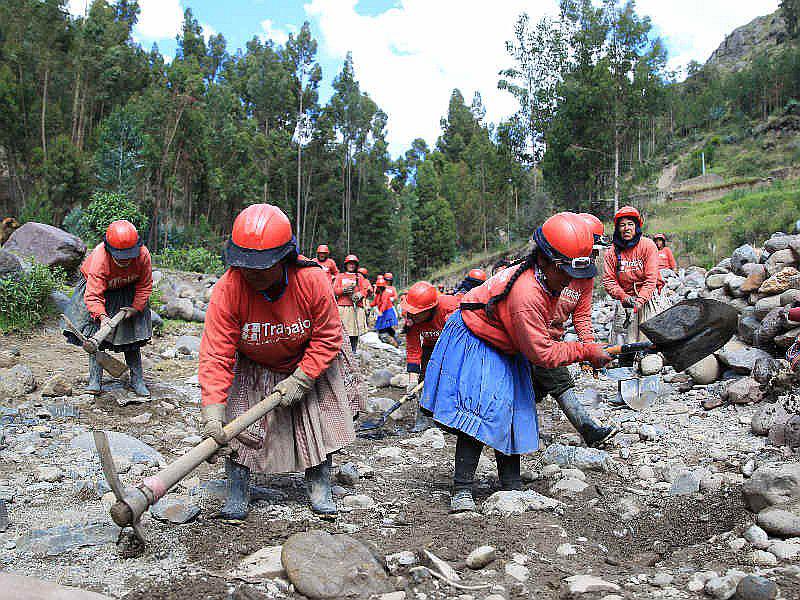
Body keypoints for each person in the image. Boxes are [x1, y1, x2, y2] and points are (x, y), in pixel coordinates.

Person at [421, 213, 613, 513]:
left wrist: (587, 346)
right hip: (478, 337)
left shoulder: (547, 276)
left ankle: (510, 482)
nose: (571, 281)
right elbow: (543, 355)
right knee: (480, 409)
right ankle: (462, 489)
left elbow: (552, 335)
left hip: (507, 339)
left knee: (513, 408)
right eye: (566, 272)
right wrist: (586, 352)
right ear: (549, 262)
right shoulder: (526, 294)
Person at [198, 204, 363, 522]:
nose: (251, 274)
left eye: (261, 267)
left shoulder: (311, 280)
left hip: (307, 359)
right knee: (237, 420)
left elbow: (329, 336)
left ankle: (319, 483)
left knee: (319, 418)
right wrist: (213, 416)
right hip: (253, 360)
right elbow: (216, 354)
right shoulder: (228, 290)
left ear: (283, 259)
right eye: (245, 266)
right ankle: (237, 487)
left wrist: (303, 378)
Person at [535, 212, 616, 448]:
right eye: (591, 250)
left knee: (534, 388)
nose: (593, 256)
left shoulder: (586, 277)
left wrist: (589, 348)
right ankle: (589, 429)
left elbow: (581, 315)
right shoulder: (554, 267)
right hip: (536, 336)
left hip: (554, 336)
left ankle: (511, 426)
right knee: (559, 379)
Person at [62, 220, 153, 397]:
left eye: (129, 255)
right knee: (95, 336)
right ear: (111, 251)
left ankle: (137, 379)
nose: (125, 260)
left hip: (127, 289)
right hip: (97, 290)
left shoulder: (143, 256)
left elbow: (144, 285)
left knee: (131, 338)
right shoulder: (100, 257)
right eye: (121, 256)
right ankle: (95, 380)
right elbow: (94, 294)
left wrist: (135, 308)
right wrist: (102, 317)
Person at [602, 206, 668, 346]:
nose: (626, 228)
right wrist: (623, 297)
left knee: (652, 340)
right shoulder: (612, 252)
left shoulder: (648, 245)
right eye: (622, 225)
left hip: (649, 296)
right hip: (626, 298)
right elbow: (609, 281)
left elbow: (651, 279)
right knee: (623, 343)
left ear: (637, 227)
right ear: (617, 229)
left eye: (630, 224)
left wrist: (639, 302)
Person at [402, 281, 460, 432]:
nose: (412, 315)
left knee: (451, 380)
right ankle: (425, 417)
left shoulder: (450, 307)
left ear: (430, 309)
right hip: (430, 345)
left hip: (456, 346)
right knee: (424, 379)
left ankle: (451, 418)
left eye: (416, 312)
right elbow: (413, 349)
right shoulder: (411, 319)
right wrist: (412, 380)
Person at [333, 255, 371, 353]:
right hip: (342, 307)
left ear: (356, 265)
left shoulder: (359, 277)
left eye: (353, 264)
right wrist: (343, 290)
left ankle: (353, 352)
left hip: (355, 308)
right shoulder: (340, 276)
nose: (351, 265)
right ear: (346, 264)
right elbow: (334, 290)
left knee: (354, 332)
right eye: (349, 263)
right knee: (342, 331)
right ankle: (341, 352)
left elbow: (366, 289)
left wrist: (360, 294)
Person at [371, 275, 400, 346]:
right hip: (383, 312)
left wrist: (380, 311)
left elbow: (384, 303)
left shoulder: (386, 293)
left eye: (381, 287)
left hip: (387, 312)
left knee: (385, 328)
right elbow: (374, 302)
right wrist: (371, 306)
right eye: (378, 287)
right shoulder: (378, 294)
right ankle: (395, 340)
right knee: (386, 328)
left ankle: (394, 342)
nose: (379, 288)